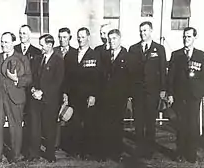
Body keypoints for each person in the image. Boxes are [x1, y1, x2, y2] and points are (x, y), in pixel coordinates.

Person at [0, 32, 32, 166]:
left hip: (15, 98)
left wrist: (17, 79)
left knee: (15, 127)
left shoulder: (22, 58)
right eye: (2, 42)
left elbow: (29, 79)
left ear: (13, 43)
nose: (3, 44)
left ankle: (16, 156)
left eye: (6, 42)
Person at [167, 27, 204, 163]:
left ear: (194, 38)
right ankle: (179, 152)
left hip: (194, 96)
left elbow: (203, 77)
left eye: (189, 37)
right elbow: (171, 77)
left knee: (193, 125)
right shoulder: (176, 54)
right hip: (180, 96)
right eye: (185, 37)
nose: (186, 39)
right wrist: (170, 94)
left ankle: (191, 153)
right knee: (181, 125)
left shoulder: (201, 55)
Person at [129, 21, 167, 159]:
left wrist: (163, 89)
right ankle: (140, 148)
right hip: (137, 92)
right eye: (141, 31)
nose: (142, 33)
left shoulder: (159, 49)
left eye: (145, 30)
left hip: (153, 91)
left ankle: (149, 150)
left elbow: (163, 70)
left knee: (150, 122)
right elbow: (130, 71)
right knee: (138, 122)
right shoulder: (133, 49)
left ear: (151, 31)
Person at [26, 34, 64, 163]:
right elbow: (32, 78)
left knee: (49, 128)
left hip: (49, 100)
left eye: (42, 45)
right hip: (35, 100)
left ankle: (50, 154)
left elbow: (57, 82)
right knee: (34, 128)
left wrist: (42, 92)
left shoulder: (58, 61)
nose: (40, 47)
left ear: (50, 45)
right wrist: (32, 89)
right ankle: (34, 153)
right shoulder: (37, 59)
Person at [66, 27, 101, 159]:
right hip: (74, 95)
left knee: (88, 124)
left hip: (87, 96)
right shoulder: (71, 55)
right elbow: (67, 76)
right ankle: (75, 150)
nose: (80, 39)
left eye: (83, 36)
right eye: (79, 36)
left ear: (88, 37)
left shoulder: (95, 55)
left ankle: (87, 151)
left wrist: (93, 95)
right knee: (75, 123)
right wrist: (65, 93)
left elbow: (97, 77)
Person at [97, 29, 131, 162]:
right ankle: (104, 152)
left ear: (120, 39)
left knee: (117, 125)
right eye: (109, 39)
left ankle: (117, 152)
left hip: (119, 97)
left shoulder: (127, 56)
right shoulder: (104, 55)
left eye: (114, 39)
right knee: (104, 124)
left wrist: (128, 96)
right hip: (105, 96)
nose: (111, 41)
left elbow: (130, 78)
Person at [14, 24, 41, 156]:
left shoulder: (36, 52)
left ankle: (31, 151)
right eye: (20, 33)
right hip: (17, 91)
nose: (22, 36)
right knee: (17, 120)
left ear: (30, 35)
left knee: (31, 122)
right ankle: (18, 148)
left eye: (24, 33)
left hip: (30, 92)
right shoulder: (14, 50)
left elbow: (37, 73)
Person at [53, 27, 78, 151]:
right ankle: (56, 143)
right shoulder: (54, 51)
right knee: (55, 116)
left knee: (69, 115)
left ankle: (68, 143)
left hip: (70, 89)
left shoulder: (75, 52)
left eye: (65, 37)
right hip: (55, 89)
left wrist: (67, 91)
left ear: (70, 38)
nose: (62, 40)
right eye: (60, 37)